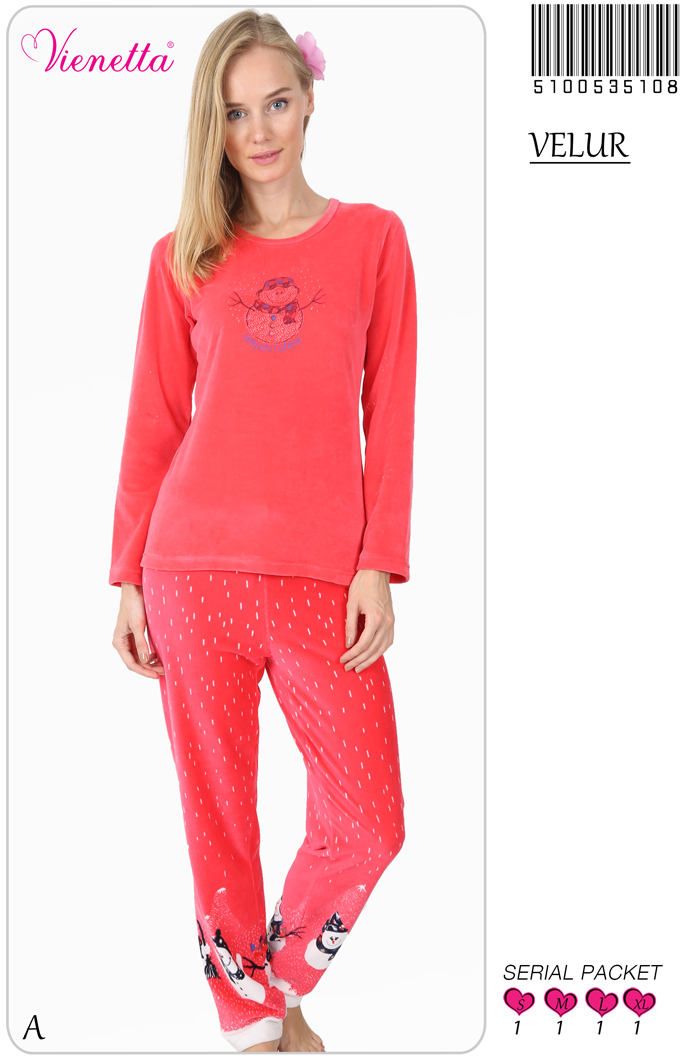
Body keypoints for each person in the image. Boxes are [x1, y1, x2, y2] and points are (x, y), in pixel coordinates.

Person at [110, 9, 417, 1054]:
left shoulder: (374, 239)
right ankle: (255, 1027)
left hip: (324, 578)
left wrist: (379, 563)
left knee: (370, 821)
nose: (259, 131)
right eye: (236, 113)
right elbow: (154, 424)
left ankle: (268, 996)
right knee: (219, 818)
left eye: (276, 103)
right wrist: (126, 578)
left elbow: (393, 411)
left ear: (309, 99)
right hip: (189, 571)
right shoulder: (183, 256)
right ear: (215, 125)